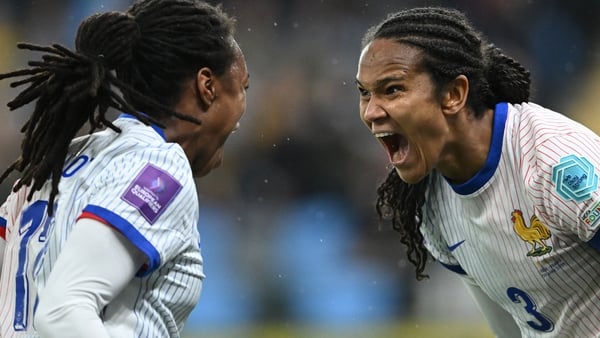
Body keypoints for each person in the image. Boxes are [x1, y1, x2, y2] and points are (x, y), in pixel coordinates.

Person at [0, 0, 249, 336]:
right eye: (242, 89)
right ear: (208, 87)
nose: (242, 112)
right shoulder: (160, 166)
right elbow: (63, 311)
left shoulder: (54, 163)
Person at [357, 6, 600, 338]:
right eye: (364, 93)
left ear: (454, 94)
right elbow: (511, 326)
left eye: (393, 90)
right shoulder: (431, 206)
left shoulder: (554, 162)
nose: (371, 112)